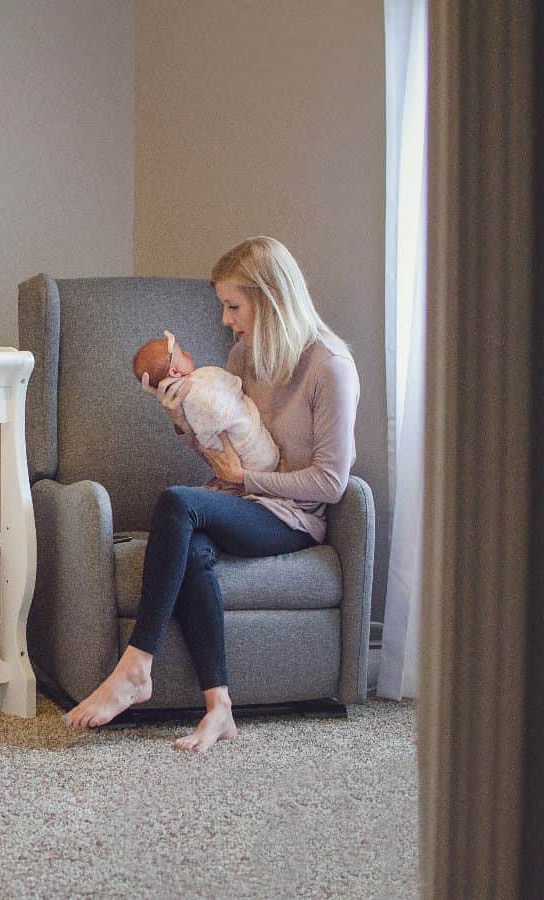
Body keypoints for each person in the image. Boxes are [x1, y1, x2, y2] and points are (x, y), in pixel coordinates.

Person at [64, 236, 360, 752]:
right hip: (242, 501)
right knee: (193, 548)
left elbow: (332, 483)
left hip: (292, 517)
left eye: (232, 305)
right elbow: (223, 444)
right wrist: (181, 415)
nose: (225, 319)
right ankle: (218, 708)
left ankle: (136, 666)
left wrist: (247, 482)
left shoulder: (329, 367)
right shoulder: (244, 355)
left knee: (179, 502)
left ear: (270, 300)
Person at [135, 330, 280, 474]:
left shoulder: (201, 384)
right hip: (254, 463)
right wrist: (179, 420)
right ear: (174, 373)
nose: (188, 354)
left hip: (257, 468)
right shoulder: (196, 391)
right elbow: (210, 449)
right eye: (183, 354)